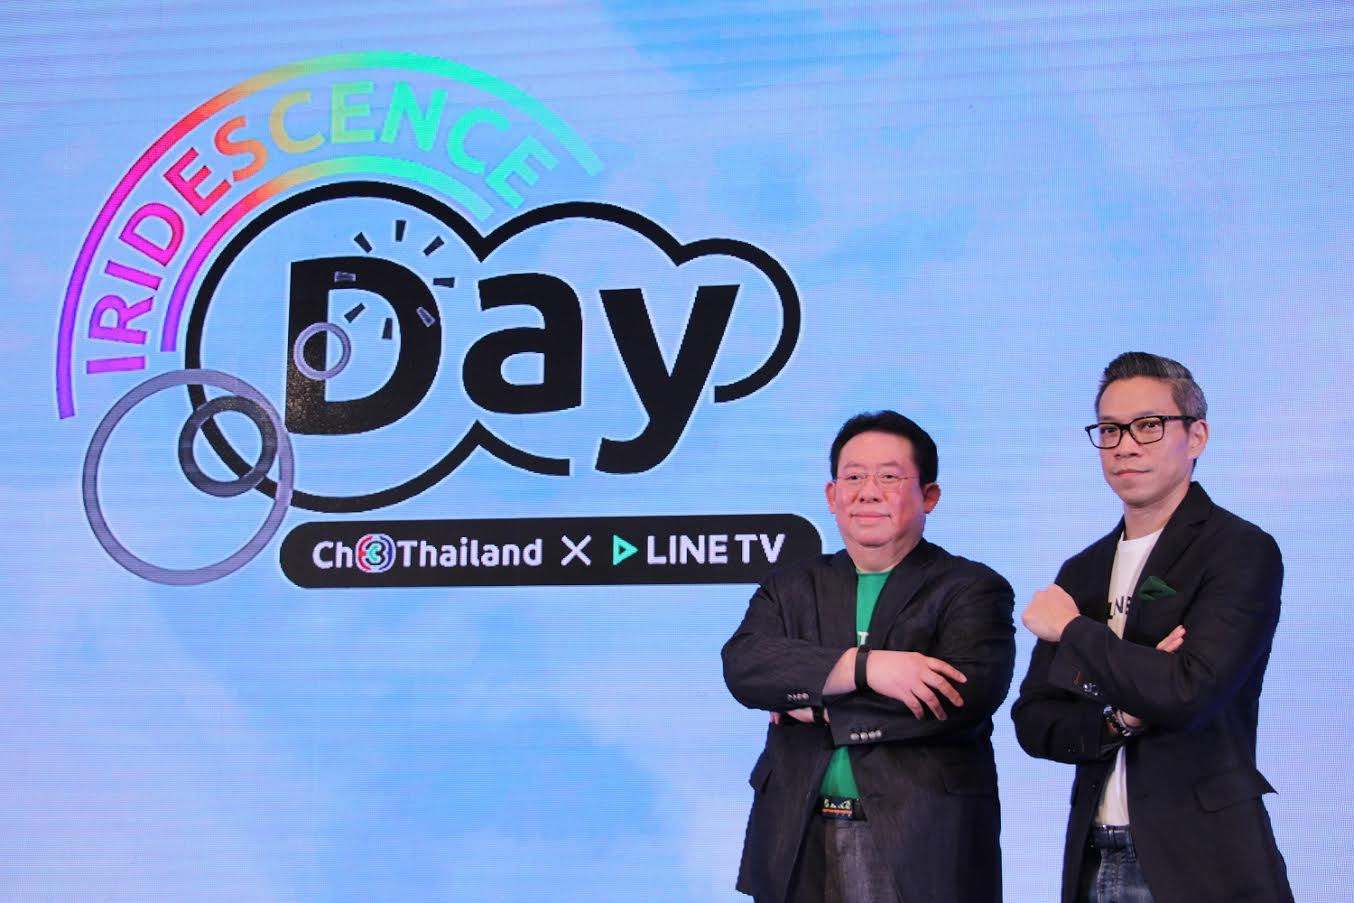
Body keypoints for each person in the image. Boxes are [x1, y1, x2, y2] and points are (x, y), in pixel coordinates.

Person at [1011, 352, 1293, 903]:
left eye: (1148, 425)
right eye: (1110, 430)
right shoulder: (1082, 570)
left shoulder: (1239, 550)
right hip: (1095, 855)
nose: (1125, 445)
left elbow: (1187, 692)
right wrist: (1125, 713)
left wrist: (1074, 631)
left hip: (1202, 859)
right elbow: (1035, 723)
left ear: (1196, 436)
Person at [722, 410, 1015, 903]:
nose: (868, 492)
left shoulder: (970, 588)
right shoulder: (790, 586)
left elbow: (960, 698)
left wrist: (818, 708)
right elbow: (745, 666)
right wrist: (866, 668)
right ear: (831, 495)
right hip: (796, 838)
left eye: (889, 477)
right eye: (853, 477)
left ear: (929, 495)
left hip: (919, 842)